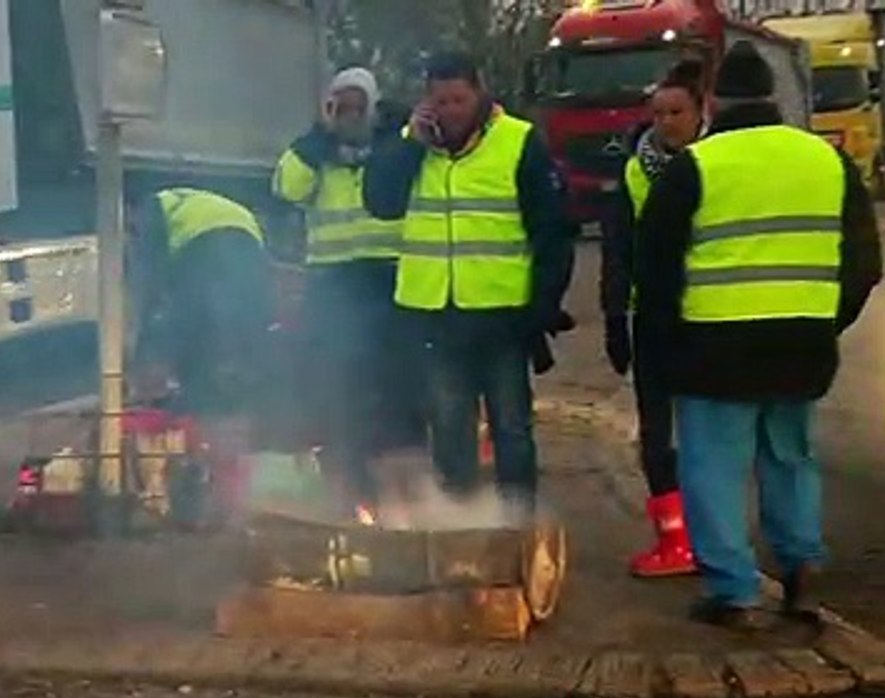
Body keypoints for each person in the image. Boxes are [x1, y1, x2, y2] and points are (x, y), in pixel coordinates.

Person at [635, 42, 883, 629]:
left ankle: (735, 589)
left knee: (713, 467)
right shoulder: (826, 161)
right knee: (791, 458)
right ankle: (800, 573)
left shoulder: (694, 167)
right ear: (772, 95)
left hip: (715, 348)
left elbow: (657, 268)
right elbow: (865, 262)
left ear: (714, 100)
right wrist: (825, 315)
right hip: (801, 344)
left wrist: (663, 346)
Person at [363, 52, 575, 523]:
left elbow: (554, 230)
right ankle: (463, 526)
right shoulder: (411, 145)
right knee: (449, 426)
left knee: (511, 429)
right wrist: (411, 145)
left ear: (480, 93)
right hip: (433, 313)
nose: (450, 110)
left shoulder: (519, 142)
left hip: (502, 314)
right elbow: (380, 202)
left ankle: (518, 527)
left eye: (459, 99)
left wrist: (543, 305)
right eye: (440, 100)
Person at [272, 67, 413, 518]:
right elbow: (285, 188)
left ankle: (397, 491)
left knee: (394, 391)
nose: (350, 114)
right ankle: (348, 490)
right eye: (340, 106)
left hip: (390, 279)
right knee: (337, 391)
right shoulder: (315, 149)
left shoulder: (395, 142)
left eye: (357, 105)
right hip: (332, 285)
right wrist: (319, 138)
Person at [602, 60, 706, 578]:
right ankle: (673, 541)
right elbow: (616, 250)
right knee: (656, 433)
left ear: (700, 112)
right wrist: (613, 315)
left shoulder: (716, 163)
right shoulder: (631, 171)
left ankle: (713, 537)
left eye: (678, 112)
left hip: (708, 314)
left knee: (706, 432)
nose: (668, 122)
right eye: (659, 113)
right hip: (652, 316)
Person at [126, 187, 276, 522]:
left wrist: (146, 353)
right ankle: (236, 491)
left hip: (208, 256)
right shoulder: (189, 201)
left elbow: (155, 289)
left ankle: (209, 489)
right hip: (250, 251)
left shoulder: (151, 211)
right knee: (234, 370)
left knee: (203, 365)